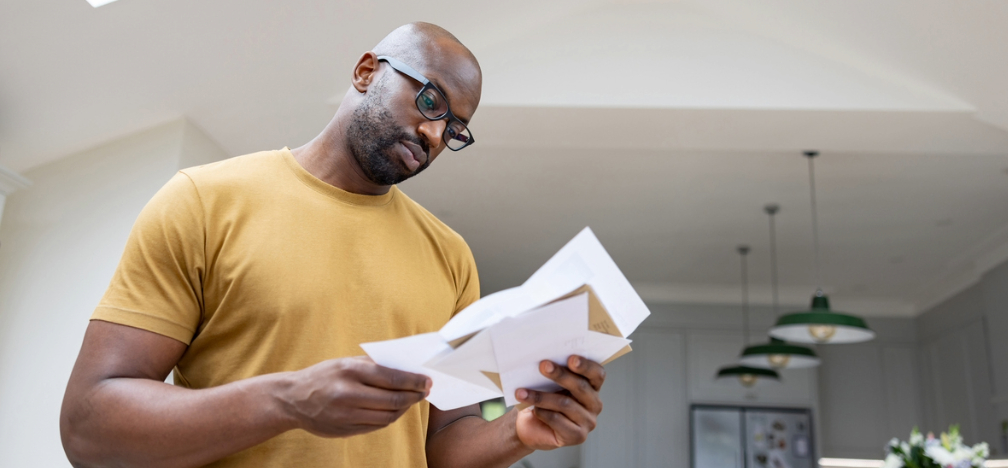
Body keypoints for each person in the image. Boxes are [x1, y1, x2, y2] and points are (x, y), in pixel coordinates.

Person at [59, 22, 606, 468]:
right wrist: (287, 400)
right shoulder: (204, 200)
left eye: (455, 130)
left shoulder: (450, 254)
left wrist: (521, 430)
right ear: (367, 71)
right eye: (431, 100)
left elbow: (442, 445)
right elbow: (90, 426)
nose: (436, 135)